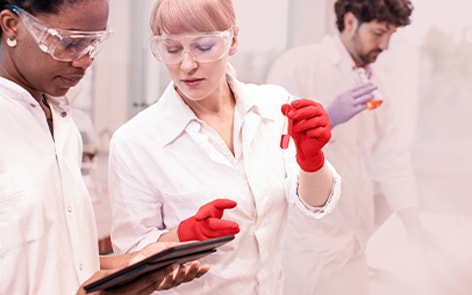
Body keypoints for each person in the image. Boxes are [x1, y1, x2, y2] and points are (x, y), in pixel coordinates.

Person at [107, 0, 342, 294]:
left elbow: (315, 205)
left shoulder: (273, 107)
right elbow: (131, 259)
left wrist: (312, 162)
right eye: (172, 49)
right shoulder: (135, 141)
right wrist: (178, 236)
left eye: (204, 47)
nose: (187, 65)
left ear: (233, 41)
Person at [0, 0, 208, 294]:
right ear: (12, 26)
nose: (84, 61)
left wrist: (137, 264)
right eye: (70, 43)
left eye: (93, 44)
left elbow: (57, 261)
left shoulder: (61, 124)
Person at [266, 0, 424, 294]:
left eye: (391, 34)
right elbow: (273, 148)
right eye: (379, 33)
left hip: (355, 244)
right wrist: (326, 119)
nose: (386, 45)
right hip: (309, 247)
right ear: (350, 22)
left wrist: (413, 223)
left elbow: (392, 157)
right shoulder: (298, 66)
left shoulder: (377, 84)